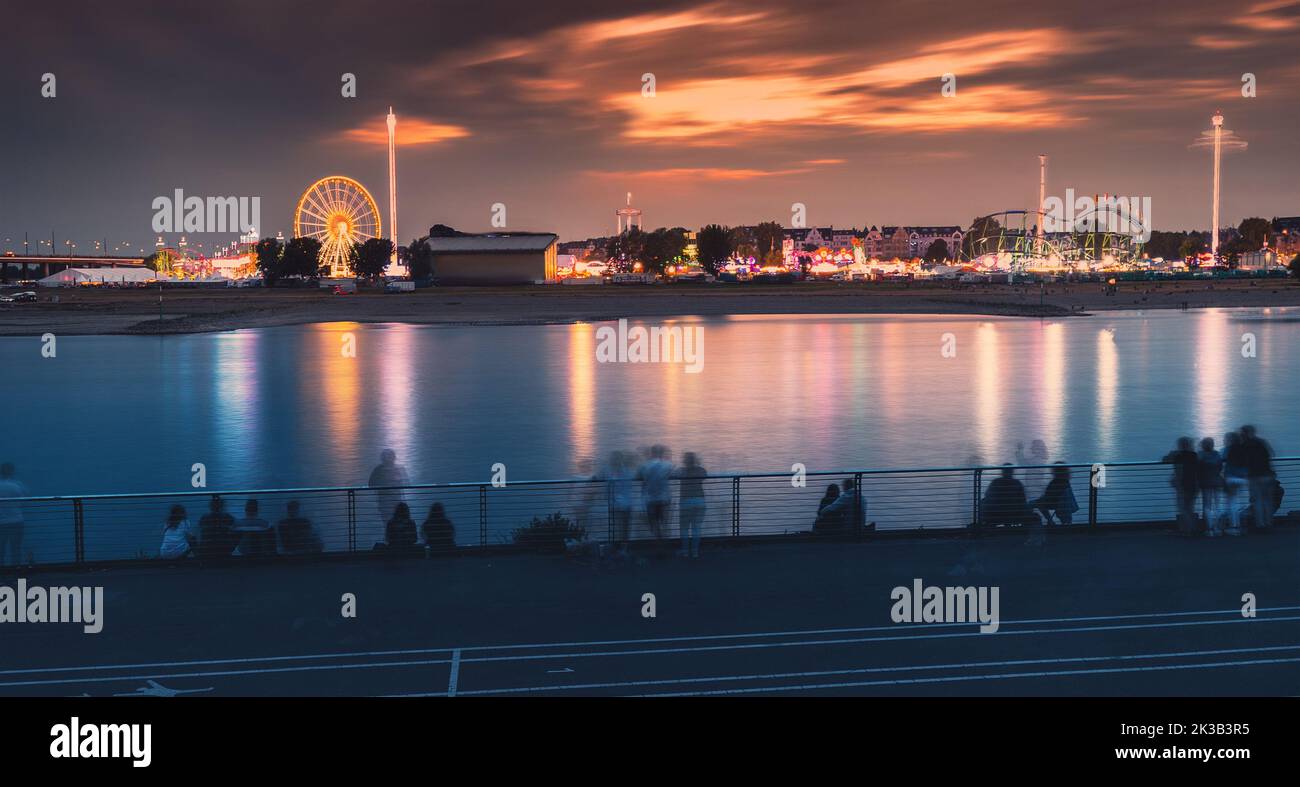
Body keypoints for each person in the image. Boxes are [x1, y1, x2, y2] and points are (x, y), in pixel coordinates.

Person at [1240, 425, 1275, 531]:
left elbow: (1242, 461)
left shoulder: (1244, 445)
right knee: (1267, 500)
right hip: (1267, 474)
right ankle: (1268, 522)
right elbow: (1271, 454)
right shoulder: (1262, 442)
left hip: (1254, 475)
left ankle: (1260, 524)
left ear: (1244, 433)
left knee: (1257, 500)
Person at [1162, 437, 1200, 534]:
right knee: (1190, 507)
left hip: (1182, 484)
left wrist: (1172, 453)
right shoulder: (1194, 455)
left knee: (1182, 508)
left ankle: (1189, 530)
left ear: (1180, 445)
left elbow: (1165, 460)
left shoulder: (1177, 455)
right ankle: (1191, 528)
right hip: (1194, 483)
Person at [637, 445, 674, 540]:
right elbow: (674, 472)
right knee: (664, 523)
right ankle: (664, 543)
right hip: (665, 498)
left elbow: (637, 476)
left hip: (650, 499)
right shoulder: (668, 465)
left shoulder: (644, 465)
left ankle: (657, 540)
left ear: (652, 453)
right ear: (662, 453)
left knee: (653, 523)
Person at [674, 452, 707, 558]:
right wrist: (698, 463)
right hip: (700, 501)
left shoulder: (681, 471)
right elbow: (704, 476)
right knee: (696, 528)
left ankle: (685, 551)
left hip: (686, 501)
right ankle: (695, 552)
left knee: (684, 528)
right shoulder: (701, 470)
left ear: (684, 461)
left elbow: (672, 474)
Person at [1032, 462, 1078, 533]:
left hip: (1054, 503)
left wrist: (1043, 497)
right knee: (1039, 502)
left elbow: (1049, 495)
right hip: (1062, 505)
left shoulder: (1055, 482)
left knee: (1034, 503)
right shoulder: (1065, 482)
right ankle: (1050, 521)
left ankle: (1049, 520)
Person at [368, 449, 410, 526]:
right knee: (396, 521)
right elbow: (406, 483)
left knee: (388, 523)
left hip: (386, 500)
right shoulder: (399, 469)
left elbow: (371, 484)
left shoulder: (378, 470)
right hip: (392, 500)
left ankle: (390, 535)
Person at [0, 463, 30, 568]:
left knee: (1, 549)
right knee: (16, 548)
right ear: (12, 472)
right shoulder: (17, 485)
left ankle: (2, 572)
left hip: (1, 523)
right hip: (16, 520)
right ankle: (15, 571)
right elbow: (25, 501)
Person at [1197, 437, 1225, 536]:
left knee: (1207, 505)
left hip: (1205, 481)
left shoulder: (1200, 455)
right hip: (1217, 481)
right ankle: (1218, 527)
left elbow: (1197, 468)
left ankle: (1209, 528)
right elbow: (1220, 467)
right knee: (1218, 504)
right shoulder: (1217, 454)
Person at [1222, 431, 1248, 536]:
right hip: (1243, 478)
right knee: (1239, 502)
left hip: (1231, 478)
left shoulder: (1228, 450)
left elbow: (1221, 459)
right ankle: (1240, 525)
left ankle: (1234, 526)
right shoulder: (1244, 449)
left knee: (1231, 502)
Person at [609, 452, 634, 556]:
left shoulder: (614, 473)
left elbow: (613, 489)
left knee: (618, 527)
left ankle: (619, 549)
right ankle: (624, 549)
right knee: (625, 527)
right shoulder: (628, 471)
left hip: (619, 504)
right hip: (627, 503)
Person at [197, 495, 237, 559]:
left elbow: (199, 530)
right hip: (224, 549)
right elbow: (235, 527)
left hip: (207, 549)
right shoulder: (227, 517)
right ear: (221, 506)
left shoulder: (204, 518)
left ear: (211, 506)